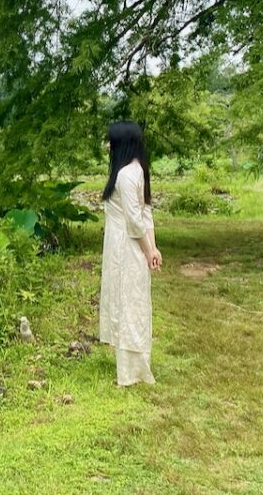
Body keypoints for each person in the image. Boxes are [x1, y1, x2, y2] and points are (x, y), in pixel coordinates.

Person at [99, 120, 162, 387]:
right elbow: (145, 213)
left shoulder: (125, 175)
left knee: (128, 302)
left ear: (121, 143)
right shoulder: (137, 170)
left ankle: (131, 370)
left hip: (124, 245)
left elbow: (136, 220)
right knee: (132, 300)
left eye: (111, 141)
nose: (108, 146)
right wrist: (152, 248)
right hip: (128, 243)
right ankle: (132, 364)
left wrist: (149, 250)